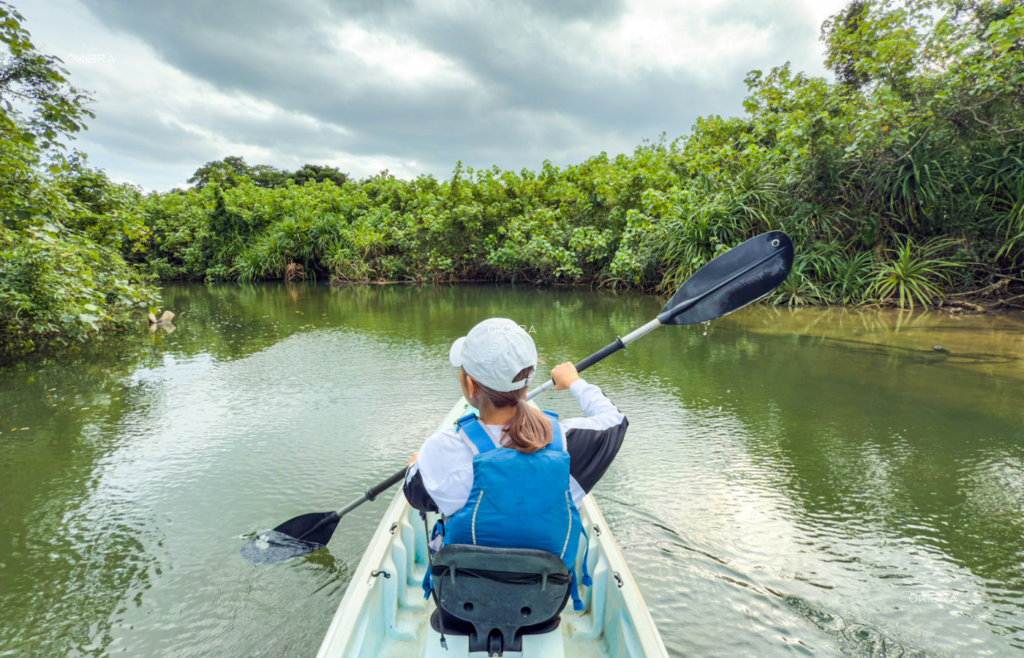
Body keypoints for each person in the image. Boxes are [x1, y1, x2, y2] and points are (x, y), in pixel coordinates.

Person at [404, 317, 628, 614]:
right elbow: (616, 421)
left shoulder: (441, 449)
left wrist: (415, 465)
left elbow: (417, 496)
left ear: (470, 385)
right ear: (528, 382)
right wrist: (574, 381)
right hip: (543, 607)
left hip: (460, 604)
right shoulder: (569, 445)